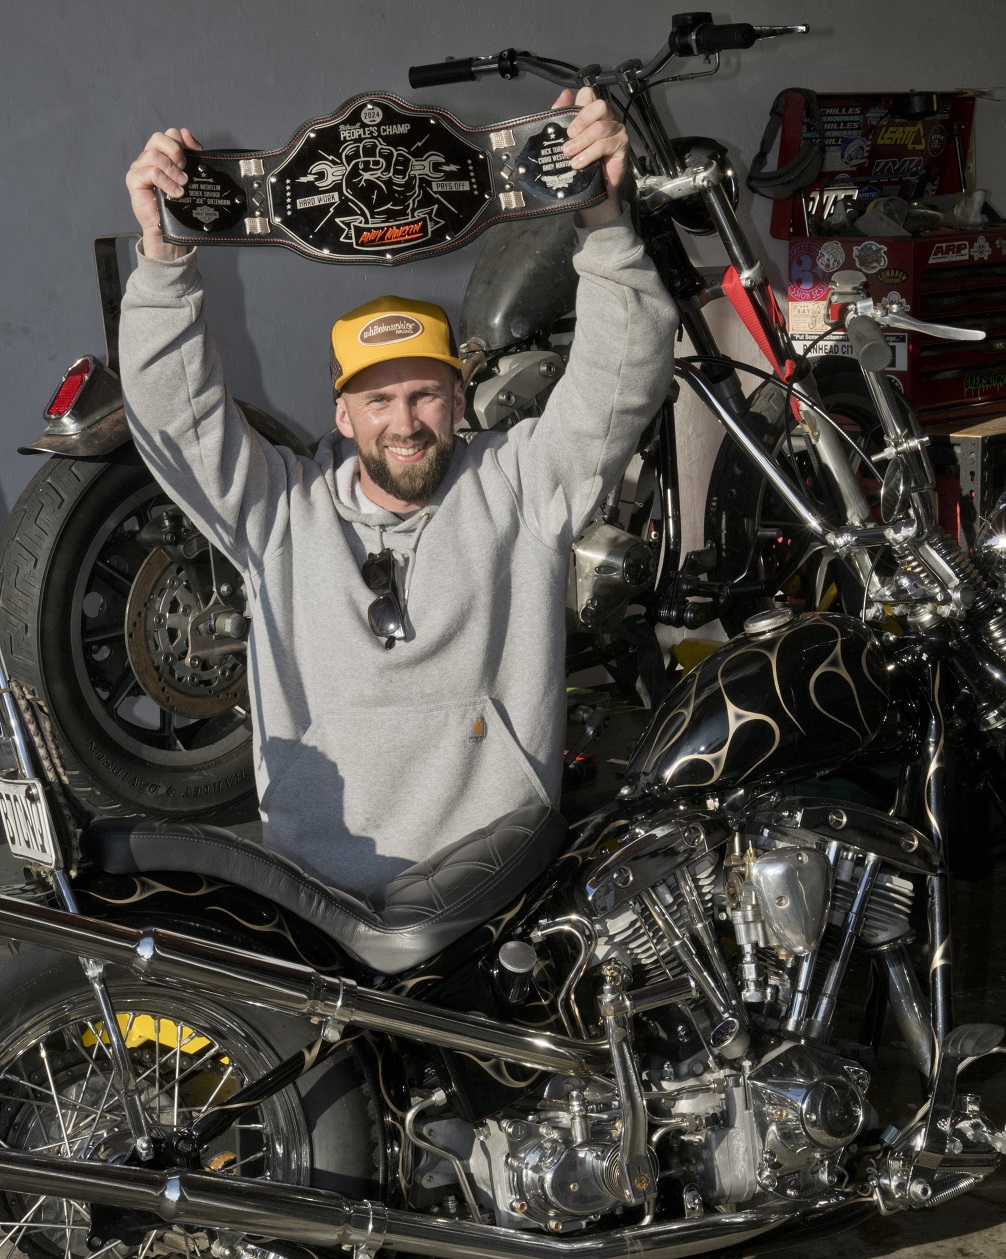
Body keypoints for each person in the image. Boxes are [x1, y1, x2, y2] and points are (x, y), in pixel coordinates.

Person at [120, 88, 678, 896]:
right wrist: (164, 258)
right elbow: (178, 418)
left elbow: (621, 379)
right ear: (341, 414)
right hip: (321, 885)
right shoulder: (279, 512)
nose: (405, 423)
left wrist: (601, 218)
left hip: (491, 874)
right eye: (379, 401)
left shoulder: (520, 484)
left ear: (458, 401)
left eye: (424, 395)